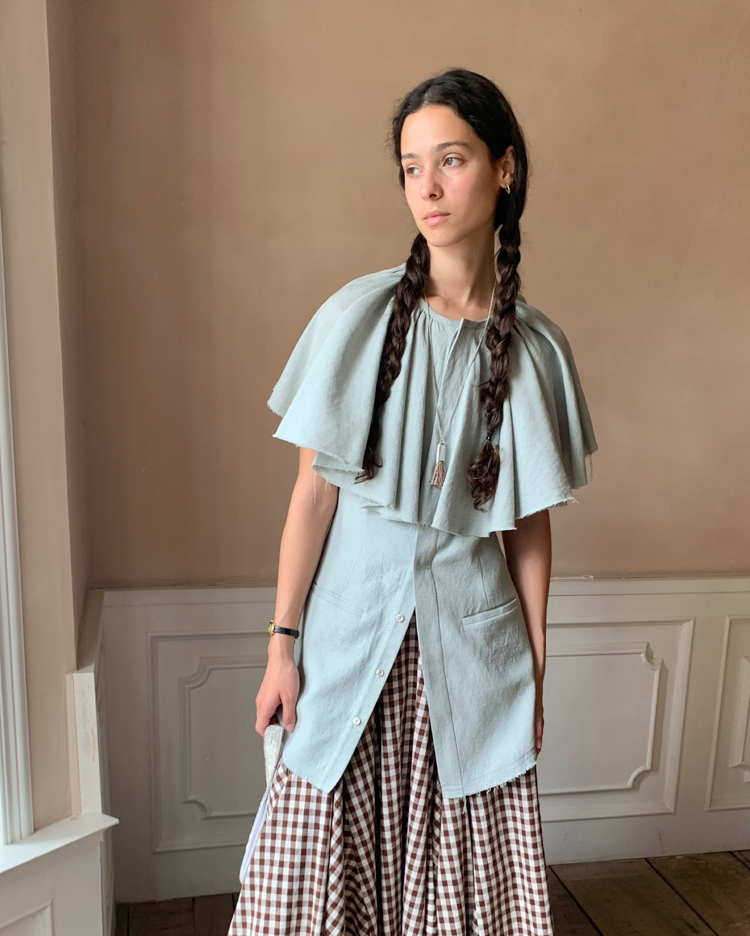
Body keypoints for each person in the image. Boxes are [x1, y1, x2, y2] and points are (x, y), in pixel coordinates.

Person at [228, 67, 598, 936]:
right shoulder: (355, 321)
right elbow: (312, 500)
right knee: (307, 888)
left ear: (505, 168)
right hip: (345, 649)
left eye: (451, 160)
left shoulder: (536, 352)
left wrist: (533, 673)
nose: (426, 187)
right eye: (410, 166)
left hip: (472, 665)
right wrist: (282, 647)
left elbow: (527, 529)